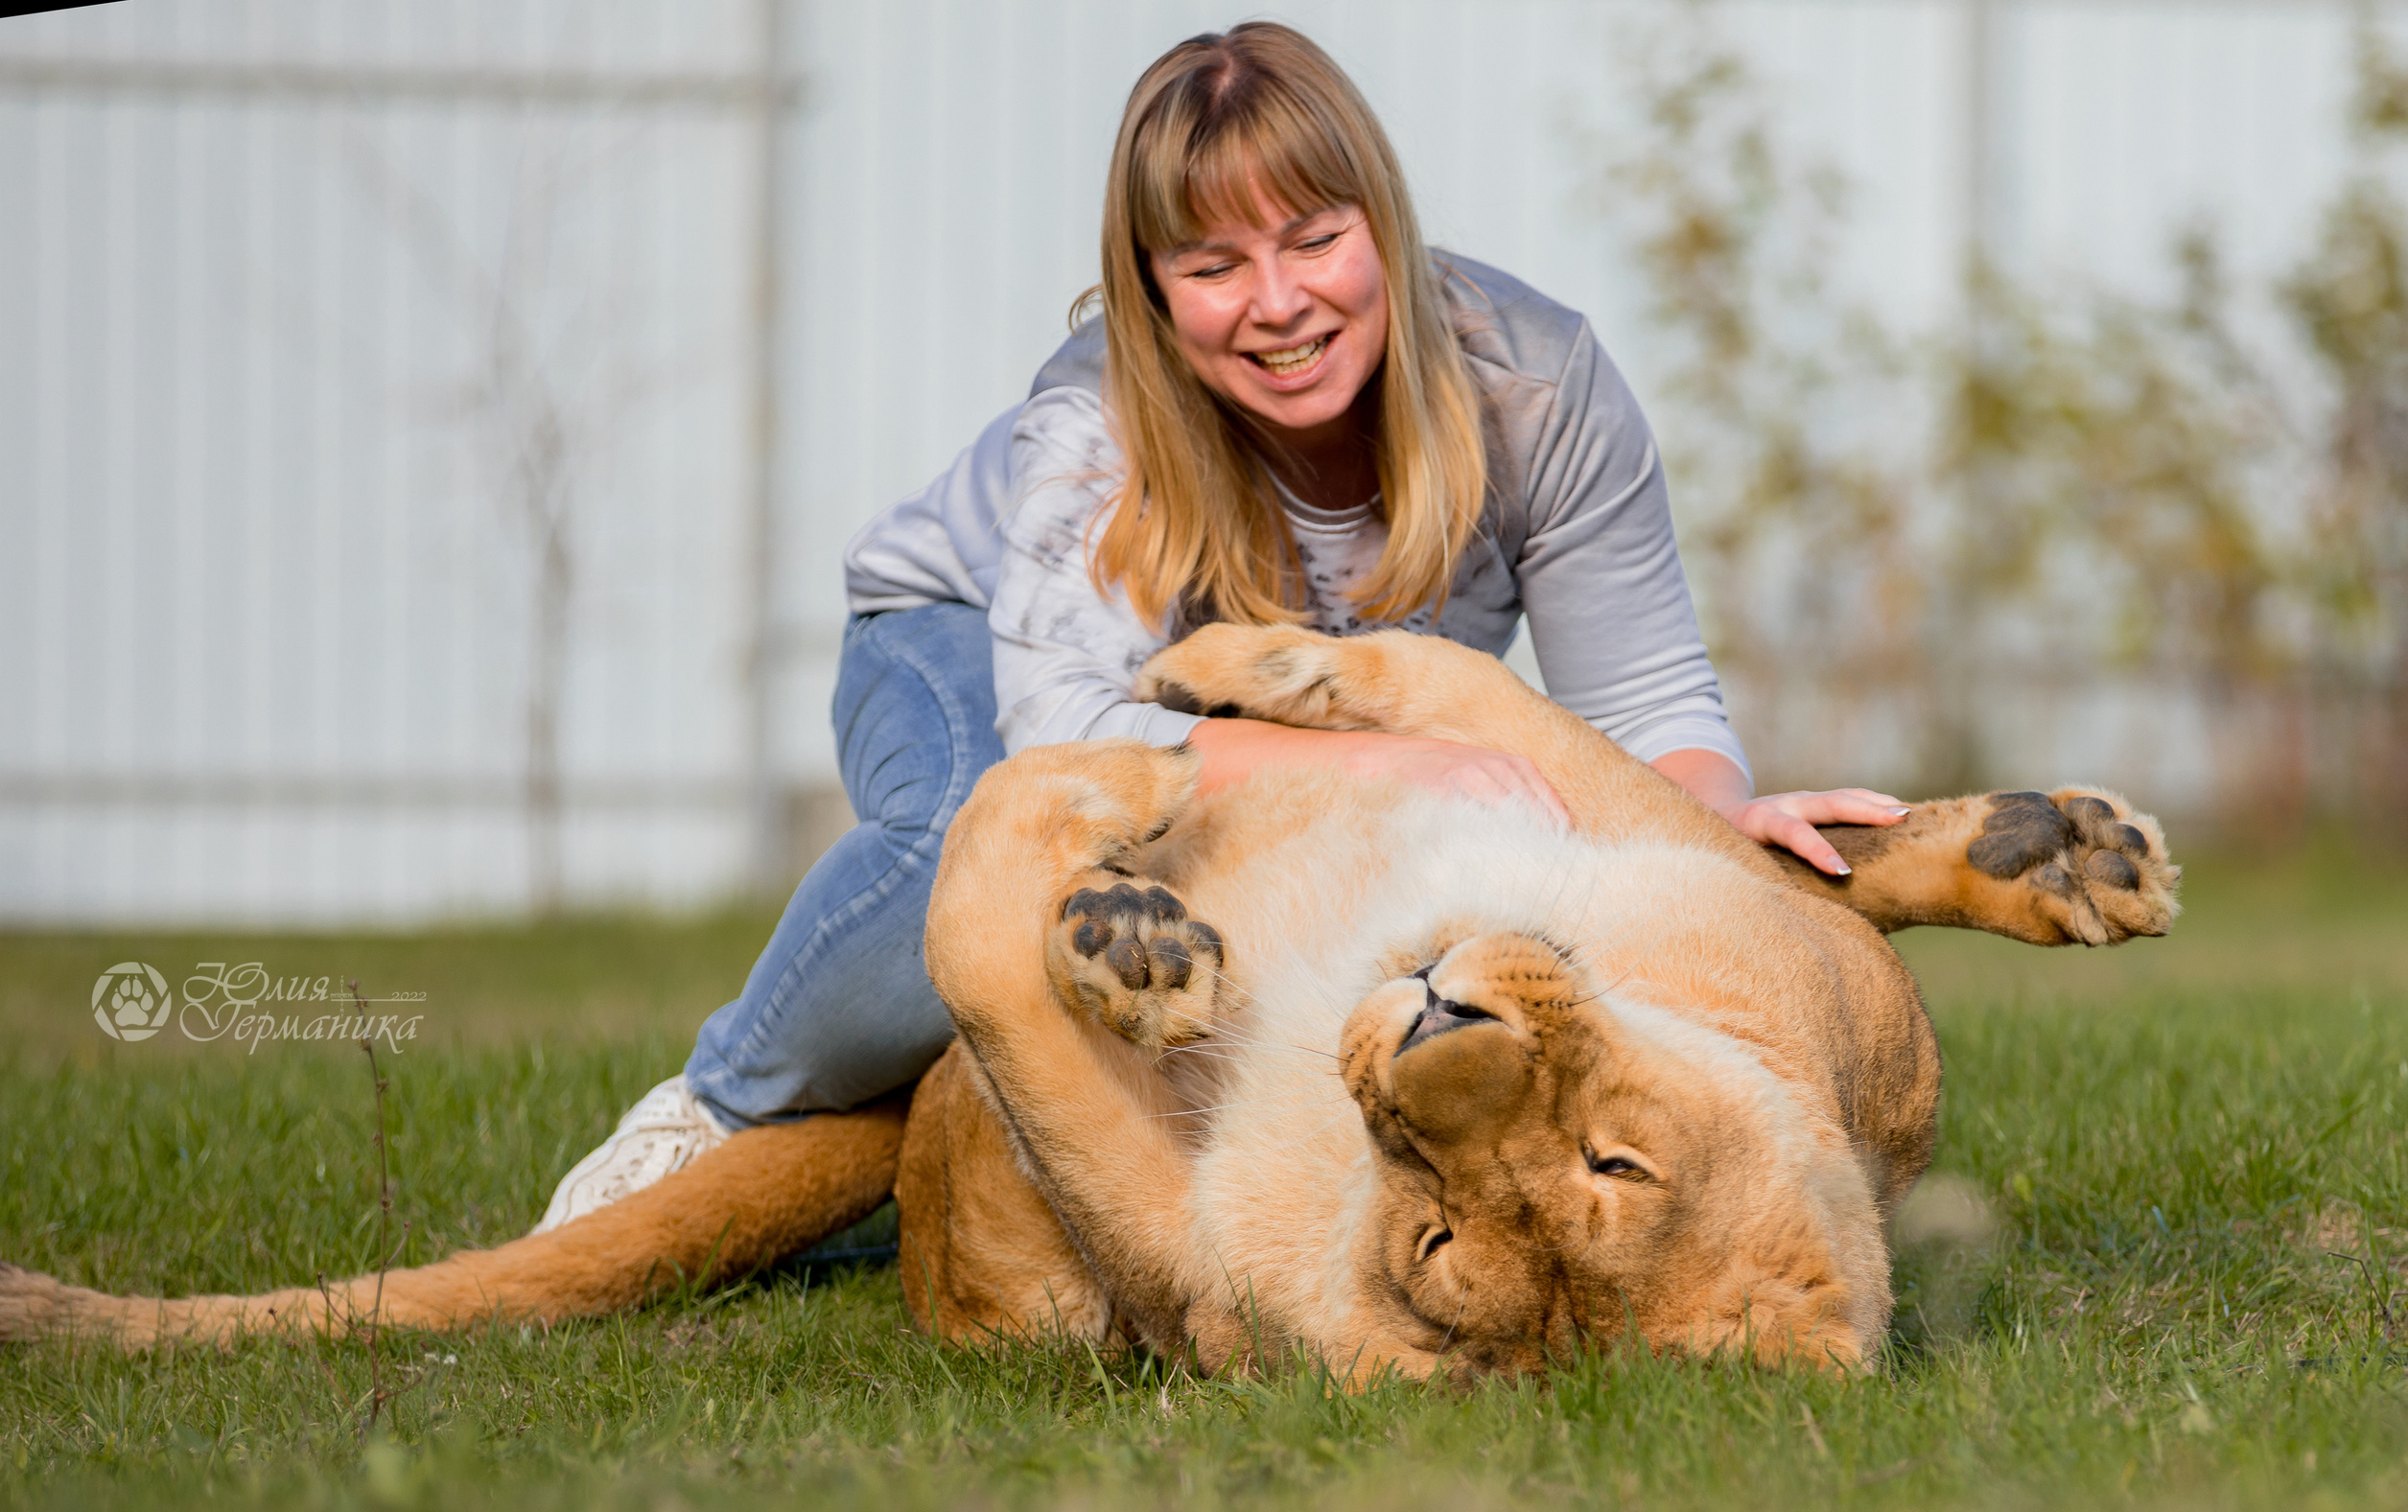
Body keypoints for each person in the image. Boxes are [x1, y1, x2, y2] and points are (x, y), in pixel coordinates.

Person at [533, 21, 1907, 1232]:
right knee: (987, 852)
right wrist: (1396, 768)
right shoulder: (1097, 416)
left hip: (1233, 740)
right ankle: (721, 1103)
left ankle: (891, 1171)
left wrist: (1713, 834)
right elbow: (1062, 734)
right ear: (1149, 284)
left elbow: (1650, 701)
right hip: (966, 647)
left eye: (1315, 239)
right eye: (1213, 264)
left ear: (1384, 225)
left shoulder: (1537, 391)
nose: (1279, 302)